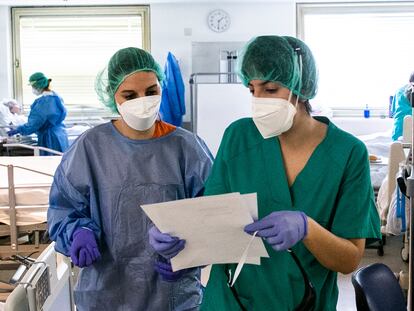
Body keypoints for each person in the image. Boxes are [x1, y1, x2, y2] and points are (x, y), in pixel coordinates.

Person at [150, 36, 381, 310]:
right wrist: (179, 249)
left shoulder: (347, 152)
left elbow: (349, 260)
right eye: (252, 89)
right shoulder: (238, 136)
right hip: (230, 301)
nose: (258, 100)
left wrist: (308, 229)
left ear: (301, 87)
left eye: (270, 89)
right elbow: (211, 228)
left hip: (303, 302)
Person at [47, 47, 213, 311]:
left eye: (151, 92)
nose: (142, 101)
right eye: (129, 95)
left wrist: (190, 255)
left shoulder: (187, 147)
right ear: (113, 96)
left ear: (161, 89)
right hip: (107, 292)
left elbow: (213, 214)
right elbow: (63, 208)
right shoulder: (90, 147)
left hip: (174, 295)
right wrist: (79, 231)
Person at [7, 72, 69, 155]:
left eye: (32, 86)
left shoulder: (43, 103)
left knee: (49, 164)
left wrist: (19, 129)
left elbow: (34, 124)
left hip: (49, 138)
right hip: (61, 134)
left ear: (37, 85)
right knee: (61, 163)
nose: (32, 89)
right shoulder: (56, 97)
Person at [391, 71, 414, 141]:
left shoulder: (399, 91)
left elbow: (393, 111)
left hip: (397, 134)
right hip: (407, 134)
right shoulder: (409, 92)